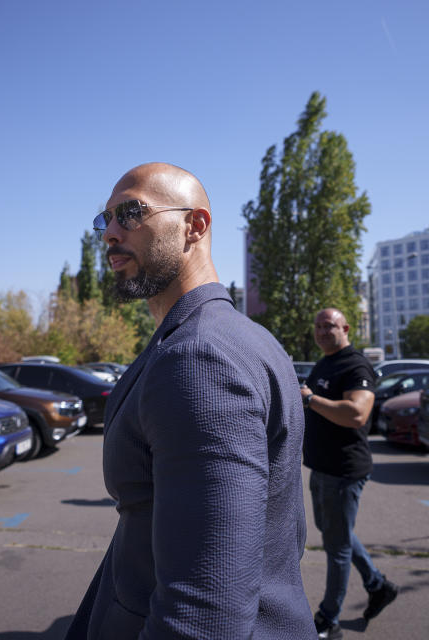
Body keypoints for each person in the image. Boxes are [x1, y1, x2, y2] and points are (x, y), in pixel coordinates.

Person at [64, 163, 315, 639]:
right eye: (104, 220)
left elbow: (205, 613)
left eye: (131, 213)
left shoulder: (201, 359)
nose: (110, 233)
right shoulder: (240, 338)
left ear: (194, 226)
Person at [301, 308, 399, 639]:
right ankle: (377, 585)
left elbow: (357, 413)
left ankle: (328, 619)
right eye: (317, 326)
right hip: (322, 467)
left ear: (345, 328)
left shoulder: (355, 364)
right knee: (334, 534)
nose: (322, 331)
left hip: (343, 471)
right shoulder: (325, 362)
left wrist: (311, 399)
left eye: (328, 326)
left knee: (337, 548)